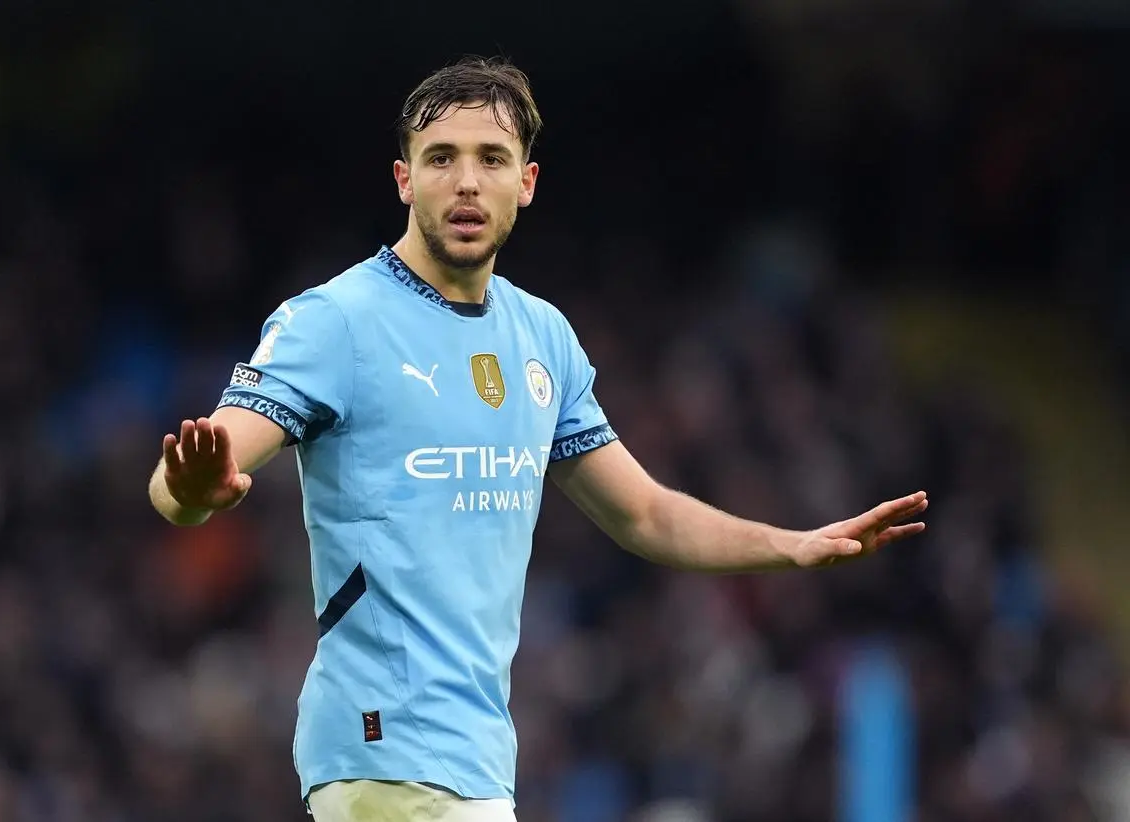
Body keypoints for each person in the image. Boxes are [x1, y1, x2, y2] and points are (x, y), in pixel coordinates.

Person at [147, 55, 929, 822]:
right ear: (402, 179)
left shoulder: (541, 337)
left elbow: (645, 515)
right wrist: (189, 490)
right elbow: (197, 467)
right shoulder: (336, 321)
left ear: (526, 183)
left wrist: (791, 546)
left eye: (491, 158)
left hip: (479, 756)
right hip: (380, 748)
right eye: (440, 158)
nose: (465, 181)